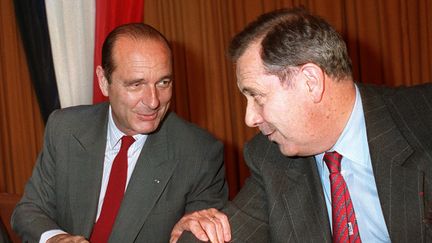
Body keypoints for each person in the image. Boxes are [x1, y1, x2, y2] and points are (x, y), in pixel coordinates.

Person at [171, 7, 432, 243]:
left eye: (257, 96)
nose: (250, 118)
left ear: (310, 81)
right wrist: (197, 231)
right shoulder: (269, 157)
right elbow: (227, 235)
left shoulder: (423, 120)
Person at [11, 23, 228, 243]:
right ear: (104, 82)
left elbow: (200, 237)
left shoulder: (200, 153)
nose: (153, 101)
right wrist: (56, 239)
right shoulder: (65, 128)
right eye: (136, 84)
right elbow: (29, 210)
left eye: (163, 82)